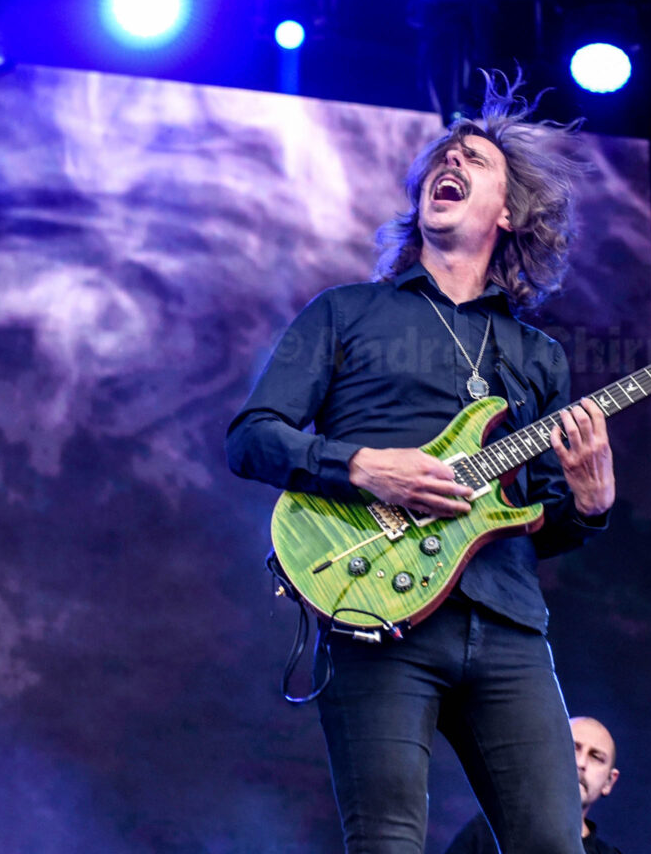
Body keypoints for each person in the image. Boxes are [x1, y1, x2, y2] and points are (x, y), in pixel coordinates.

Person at [226, 70, 616, 854]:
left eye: (475, 159)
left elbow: (538, 524)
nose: (451, 160)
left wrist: (587, 506)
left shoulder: (535, 355)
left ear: (507, 213)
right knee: (389, 842)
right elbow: (252, 437)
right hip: (375, 609)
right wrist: (360, 466)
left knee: (553, 844)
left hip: (506, 624)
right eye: (443, 155)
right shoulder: (346, 312)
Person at [442, 716, 623, 854]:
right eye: (572, 747)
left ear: (609, 782)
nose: (581, 763)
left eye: (596, 757)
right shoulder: (490, 830)